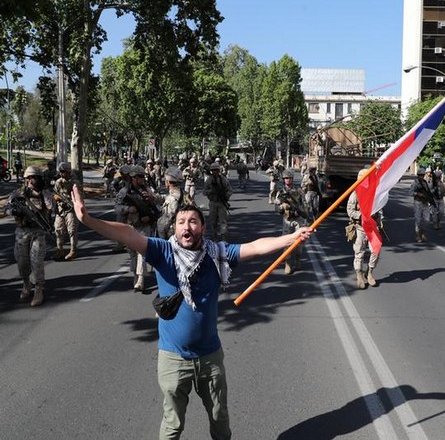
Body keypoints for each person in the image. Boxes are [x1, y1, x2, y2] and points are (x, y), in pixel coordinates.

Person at [70, 188, 313, 440]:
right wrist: (89, 220)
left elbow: (253, 247)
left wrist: (290, 238)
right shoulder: (163, 252)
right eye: (181, 222)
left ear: (203, 228)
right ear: (174, 229)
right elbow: (128, 234)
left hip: (210, 358)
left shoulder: (217, 254)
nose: (187, 227)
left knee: (220, 420)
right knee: (172, 425)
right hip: (173, 359)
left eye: (193, 221)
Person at [5, 165, 55, 307]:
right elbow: (7, 207)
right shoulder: (18, 193)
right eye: (28, 178)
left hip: (38, 232)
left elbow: (51, 208)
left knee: (36, 262)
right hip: (22, 232)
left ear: (39, 179)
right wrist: (14, 211)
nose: (30, 181)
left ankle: (38, 289)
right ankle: (26, 284)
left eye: (33, 178)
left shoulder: (45, 194)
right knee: (22, 262)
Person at [115, 165, 160, 292]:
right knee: (132, 253)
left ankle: (140, 279)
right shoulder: (125, 192)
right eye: (139, 177)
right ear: (133, 178)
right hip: (130, 226)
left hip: (144, 226)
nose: (142, 179)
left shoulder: (147, 190)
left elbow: (156, 210)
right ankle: (135, 275)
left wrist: (149, 217)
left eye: (143, 176)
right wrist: (127, 209)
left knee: (142, 251)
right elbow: (117, 207)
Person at [346, 168, 381, 289]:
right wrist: (362, 215)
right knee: (359, 252)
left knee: (376, 250)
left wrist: (380, 222)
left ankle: (369, 272)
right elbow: (350, 211)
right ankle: (359, 274)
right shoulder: (355, 194)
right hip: (360, 227)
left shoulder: (373, 193)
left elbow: (379, 209)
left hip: (371, 228)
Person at [275, 169, 308, 275]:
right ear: (283, 180)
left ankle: (298, 259)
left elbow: (305, 203)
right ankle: (288, 263)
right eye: (285, 178)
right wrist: (281, 207)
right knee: (286, 242)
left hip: (298, 219)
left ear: (292, 179)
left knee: (300, 241)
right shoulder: (281, 192)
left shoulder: (298, 190)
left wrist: (306, 215)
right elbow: (276, 206)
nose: (287, 180)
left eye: (289, 178)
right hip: (287, 220)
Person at [53, 162, 81, 261]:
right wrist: (56, 198)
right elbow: (54, 193)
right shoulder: (58, 182)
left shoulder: (75, 183)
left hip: (71, 209)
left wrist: (69, 199)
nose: (61, 173)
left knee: (72, 230)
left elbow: (80, 196)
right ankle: (60, 249)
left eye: (63, 171)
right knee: (58, 229)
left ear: (68, 172)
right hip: (60, 209)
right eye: (60, 171)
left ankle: (73, 250)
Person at [156, 167, 191, 240]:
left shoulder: (172, 198)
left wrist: (160, 238)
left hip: (172, 234)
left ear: (168, 182)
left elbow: (166, 221)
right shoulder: (184, 193)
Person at [203, 162, 233, 242]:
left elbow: (230, 190)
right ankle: (215, 239)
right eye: (213, 170)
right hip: (213, 202)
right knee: (213, 222)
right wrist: (211, 191)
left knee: (223, 221)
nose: (214, 172)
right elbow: (204, 192)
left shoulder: (223, 179)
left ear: (218, 170)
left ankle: (223, 240)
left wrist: (225, 198)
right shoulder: (209, 180)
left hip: (221, 203)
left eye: (216, 170)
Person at [409, 168, 435, 243]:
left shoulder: (424, 182)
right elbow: (410, 192)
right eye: (420, 175)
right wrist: (418, 194)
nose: (421, 176)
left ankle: (423, 232)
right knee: (418, 220)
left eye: (422, 175)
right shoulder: (415, 183)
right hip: (418, 202)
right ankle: (418, 234)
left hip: (425, 203)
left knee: (427, 219)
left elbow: (428, 192)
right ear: (418, 175)